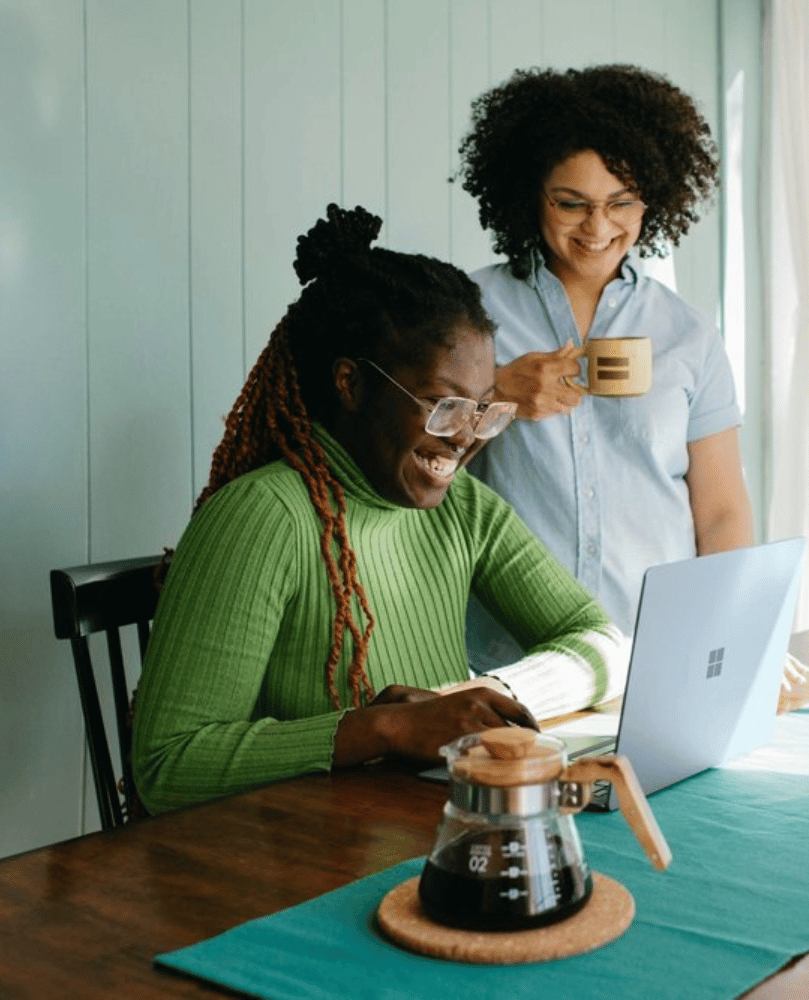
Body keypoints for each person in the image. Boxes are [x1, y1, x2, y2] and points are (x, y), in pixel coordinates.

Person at [131, 203, 628, 815]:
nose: (465, 437)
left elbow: (603, 642)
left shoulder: (462, 507)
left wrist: (480, 693)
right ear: (350, 384)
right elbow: (166, 765)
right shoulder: (264, 518)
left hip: (421, 829)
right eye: (443, 406)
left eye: (482, 410)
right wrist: (382, 729)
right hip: (300, 862)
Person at [456, 64, 757, 672]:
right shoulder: (464, 313)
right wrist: (499, 393)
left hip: (655, 650)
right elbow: (406, 471)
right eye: (572, 204)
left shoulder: (689, 336)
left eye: (622, 204)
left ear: (654, 200)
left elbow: (721, 512)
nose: (598, 229)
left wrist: (723, 641)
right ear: (530, 194)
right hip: (508, 658)